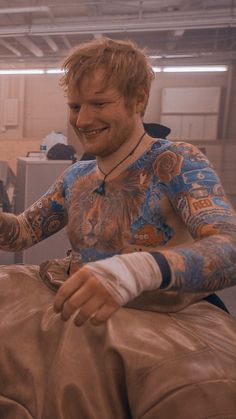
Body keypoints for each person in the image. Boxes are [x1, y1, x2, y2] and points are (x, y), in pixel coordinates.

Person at [0, 37, 236, 418]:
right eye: (75, 106)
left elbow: (229, 247)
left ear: (138, 99)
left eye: (100, 103)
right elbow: (24, 231)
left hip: (163, 315)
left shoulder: (175, 161)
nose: (83, 120)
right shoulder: (76, 175)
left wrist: (139, 269)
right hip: (71, 295)